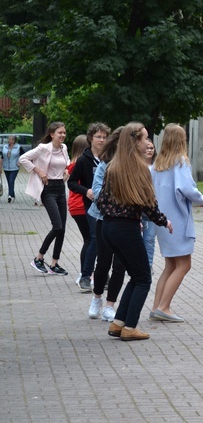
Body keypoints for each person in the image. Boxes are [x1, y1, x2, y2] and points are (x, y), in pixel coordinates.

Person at [98, 122, 172, 341]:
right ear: (134, 141)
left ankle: (118, 323)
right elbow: (149, 204)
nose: (148, 143)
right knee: (143, 278)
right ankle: (130, 327)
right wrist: (163, 221)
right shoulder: (139, 168)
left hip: (109, 228)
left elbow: (101, 202)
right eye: (145, 138)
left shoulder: (113, 166)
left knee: (135, 276)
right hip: (125, 229)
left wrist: (120, 214)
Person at [151, 123, 203, 322]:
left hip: (162, 221)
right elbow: (187, 188)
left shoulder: (157, 164)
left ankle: (157, 305)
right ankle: (164, 307)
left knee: (170, 265)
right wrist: (202, 199)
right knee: (184, 264)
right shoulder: (180, 161)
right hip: (178, 221)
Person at [20, 121, 71, 276]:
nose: (62, 135)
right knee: (57, 226)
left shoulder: (64, 148)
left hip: (60, 188)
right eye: (59, 133)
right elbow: (23, 159)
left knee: (62, 228)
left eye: (64, 133)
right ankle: (38, 258)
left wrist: (67, 170)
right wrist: (39, 171)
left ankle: (54, 263)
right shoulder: (43, 148)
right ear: (52, 134)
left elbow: (67, 161)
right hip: (47, 189)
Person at [88, 127, 127, 321]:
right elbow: (96, 190)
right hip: (105, 219)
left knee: (120, 264)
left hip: (127, 221)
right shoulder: (105, 164)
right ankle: (97, 298)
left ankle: (110, 305)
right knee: (103, 262)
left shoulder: (133, 164)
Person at [67, 122, 110, 291]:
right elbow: (71, 182)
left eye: (104, 137)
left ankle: (102, 274)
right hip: (91, 205)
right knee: (93, 237)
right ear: (91, 138)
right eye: (98, 137)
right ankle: (85, 276)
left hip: (108, 205)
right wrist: (86, 191)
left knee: (105, 240)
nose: (101, 140)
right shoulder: (84, 160)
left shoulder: (109, 158)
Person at [66, 134, 92, 286]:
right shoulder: (81, 164)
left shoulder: (73, 163)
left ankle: (86, 272)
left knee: (88, 240)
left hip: (75, 206)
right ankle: (84, 273)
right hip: (81, 206)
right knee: (90, 240)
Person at [140, 138, 158, 269]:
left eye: (151, 148)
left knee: (150, 239)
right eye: (147, 148)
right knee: (138, 239)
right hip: (138, 206)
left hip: (152, 206)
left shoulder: (158, 167)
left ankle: (148, 265)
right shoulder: (137, 166)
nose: (149, 150)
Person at [2, 134, 24, 202]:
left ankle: (10, 195)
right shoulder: (5, 147)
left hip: (14, 167)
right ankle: (13, 195)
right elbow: (2, 156)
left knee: (11, 180)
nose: (10, 140)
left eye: (11, 139)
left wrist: (19, 162)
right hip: (6, 167)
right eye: (9, 139)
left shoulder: (18, 147)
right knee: (9, 181)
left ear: (14, 140)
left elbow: (24, 156)